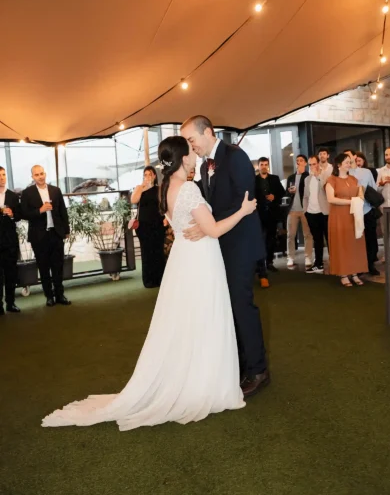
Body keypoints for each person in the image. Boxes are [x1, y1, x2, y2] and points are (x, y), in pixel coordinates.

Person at [42, 136, 256, 430]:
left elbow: (191, 223)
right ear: (183, 158)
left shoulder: (166, 188)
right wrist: (243, 211)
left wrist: (203, 227)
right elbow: (215, 230)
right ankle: (204, 383)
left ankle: (195, 378)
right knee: (204, 317)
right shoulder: (188, 188)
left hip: (184, 258)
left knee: (189, 320)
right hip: (199, 260)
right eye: (191, 151)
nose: (195, 155)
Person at [180, 115, 269, 398]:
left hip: (241, 245)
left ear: (207, 132)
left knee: (243, 307)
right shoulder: (206, 164)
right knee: (230, 308)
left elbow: (243, 201)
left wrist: (208, 226)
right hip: (222, 244)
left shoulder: (235, 156)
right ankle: (240, 365)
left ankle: (258, 370)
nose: (191, 146)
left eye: (192, 139)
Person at [21, 166, 71, 306]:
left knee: (58, 266)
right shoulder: (27, 193)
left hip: (56, 234)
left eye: (42, 173)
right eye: (37, 175)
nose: (40, 176)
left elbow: (63, 211)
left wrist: (66, 230)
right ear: (33, 177)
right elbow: (24, 214)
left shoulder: (55, 190)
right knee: (43, 268)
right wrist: (40, 210)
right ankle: (49, 296)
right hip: (39, 236)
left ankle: (60, 295)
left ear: (45, 174)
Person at [325, 154, 368, 286]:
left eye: (350, 162)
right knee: (342, 244)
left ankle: (354, 273)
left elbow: (360, 193)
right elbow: (331, 199)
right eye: (347, 162)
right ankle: (343, 274)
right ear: (339, 165)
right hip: (339, 216)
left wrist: (359, 198)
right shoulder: (331, 180)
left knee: (354, 244)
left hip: (354, 216)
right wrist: (351, 202)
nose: (349, 165)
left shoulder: (354, 179)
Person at [345, 150, 379, 276]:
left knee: (371, 239)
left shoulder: (366, 172)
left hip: (367, 209)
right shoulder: (344, 173)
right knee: (356, 240)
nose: (347, 158)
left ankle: (370, 264)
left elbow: (373, 188)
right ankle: (358, 266)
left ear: (354, 156)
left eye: (349, 155)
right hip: (352, 211)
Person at [131, 166, 165, 288]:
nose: (147, 177)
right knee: (146, 252)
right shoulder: (139, 188)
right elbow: (134, 200)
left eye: (150, 174)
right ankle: (148, 280)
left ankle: (160, 279)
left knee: (158, 251)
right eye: (145, 175)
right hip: (144, 225)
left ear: (154, 176)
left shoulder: (159, 189)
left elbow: (163, 204)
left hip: (158, 224)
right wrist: (142, 187)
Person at [255, 157, 285, 275]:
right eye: (262, 164)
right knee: (259, 240)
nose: (264, 166)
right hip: (258, 214)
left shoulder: (274, 178)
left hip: (272, 213)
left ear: (268, 166)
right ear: (258, 166)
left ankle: (270, 262)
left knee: (271, 239)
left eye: (266, 164)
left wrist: (274, 196)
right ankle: (259, 265)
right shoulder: (254, 180)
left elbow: (282, 192)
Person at [0, 166, 22, 315]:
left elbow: (19, 216)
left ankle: (11, 303)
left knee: (11, 273)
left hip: (10, 242)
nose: (2, 178)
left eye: (3, 175)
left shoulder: (13, 196)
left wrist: (13, 214)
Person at [286, 155, 313, 269]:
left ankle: (308, 257)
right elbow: (286, 193)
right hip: (292, 210)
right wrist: (289, 192)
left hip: (305, 210)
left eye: (301, 161)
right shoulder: (291, 177)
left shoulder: (308, 176)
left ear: (305, 163)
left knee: (307, 234)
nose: (298, 162)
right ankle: (290, 257)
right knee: (290, 235)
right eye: (297, 161)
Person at [303, 155, 330, 274]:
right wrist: (305, 210)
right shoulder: (307, 179)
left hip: (324, 212)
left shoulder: (326, 175)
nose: (312, 166)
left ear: (318, 164)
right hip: (311, 213)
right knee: (317, 239)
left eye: (314, 164)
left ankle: (335, 263)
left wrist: (318, 176)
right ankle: (318, 263)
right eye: (310, 164)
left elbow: (325, 190)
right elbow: (305, 196)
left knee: (329, 239)